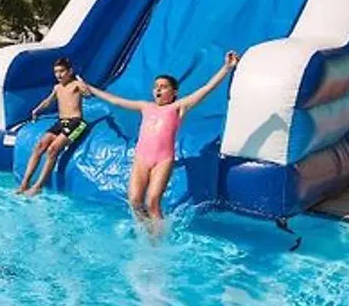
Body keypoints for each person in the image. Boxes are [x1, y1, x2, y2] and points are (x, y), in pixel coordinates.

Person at [79, 51, 240, 221]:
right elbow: (116, 101)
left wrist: (226, 68)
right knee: (134, 201)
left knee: (152, 202)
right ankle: (145, 234)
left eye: (163, 87)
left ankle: (157, 244)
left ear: (174, 92)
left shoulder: (178, 107)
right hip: (141, 158)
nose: (158, 89)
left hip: (162, 160)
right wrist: (90, 89)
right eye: (156, 86)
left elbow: (206, 89)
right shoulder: (145, 106)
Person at [16, 58, 87, 196]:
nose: (59, 75)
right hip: (61, 122)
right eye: (56, 72)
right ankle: (24, 183)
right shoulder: (57, 87)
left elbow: (88, 94)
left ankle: (38, 186)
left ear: (70, 71)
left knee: (53, 150)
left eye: (62, 71)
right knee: (39, 146)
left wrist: (83, 84)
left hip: (76, 122)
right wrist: (36, 110)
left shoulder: (76, 85)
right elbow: (48, 101)